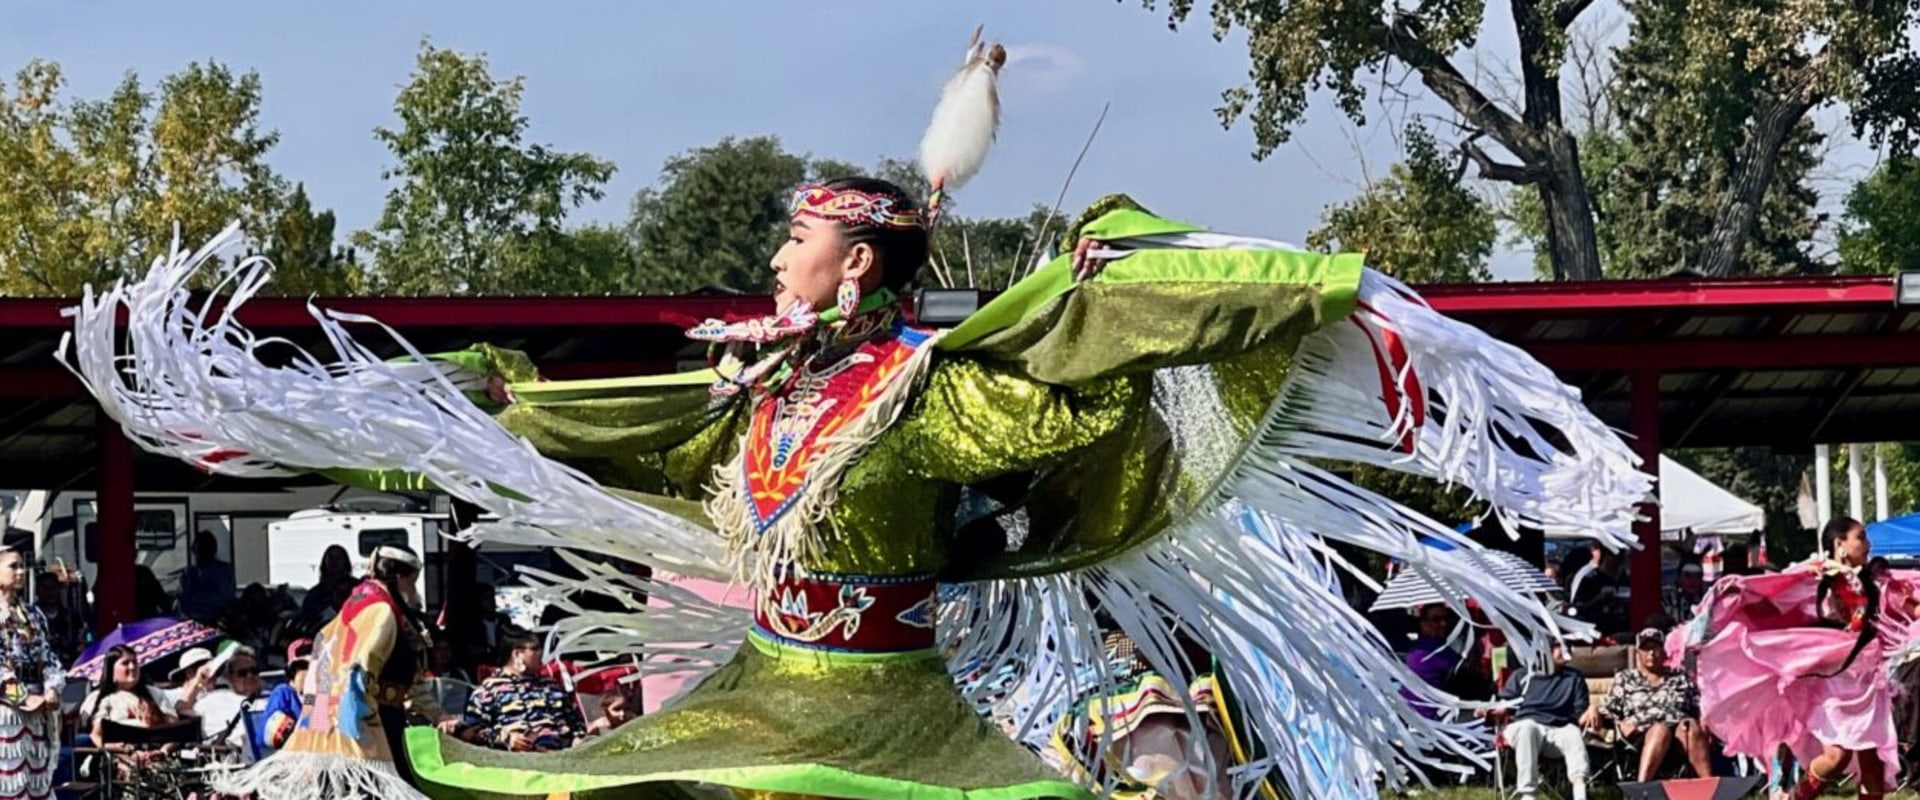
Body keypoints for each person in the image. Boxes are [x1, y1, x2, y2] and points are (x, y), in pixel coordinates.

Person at [67, 39, 1651, 800]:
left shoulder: (928, 396)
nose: (771, 257)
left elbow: (1073, 361)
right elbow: (614, 432)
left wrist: (1290, 288)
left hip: (895, 718)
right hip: (759, 690)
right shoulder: (751, 392)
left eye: (794, 238)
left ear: (858, 253)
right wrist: (468, 414)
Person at [1684, 516, 1920, 800]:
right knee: (1837, 756)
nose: (1868, 544)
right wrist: (1740, 602)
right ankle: (1798, 797)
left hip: (1869, 680)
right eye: (1861, 537)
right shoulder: (1816, 577)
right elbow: (1774, 598)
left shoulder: (1874, 579)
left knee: (1871, 762)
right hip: (1834, 680)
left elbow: (1909, 606)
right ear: (1839, 544)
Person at [213, 545, 440, 797]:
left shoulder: (358, 608)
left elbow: (407, 681)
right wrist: (352, 720)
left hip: (352, 724)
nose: (414, 589)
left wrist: (440, 717)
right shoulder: (380, 611)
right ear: (399, 577)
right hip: (368, 726)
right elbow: (358, 668)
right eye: (413, 580)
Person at [1582, 628, 1713, 781]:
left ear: (1664, 651)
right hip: (1640, 734)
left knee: (1691, 726)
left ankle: (1709, 786)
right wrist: (1597, 711)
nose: (1651, 653)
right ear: (1638, 652)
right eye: (1646, 648)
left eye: (1656, 647)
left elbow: (1699, 704)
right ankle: (1643, 787)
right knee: (1660, 729)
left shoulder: (1679, 676)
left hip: (1679, 732)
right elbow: (1610, 710)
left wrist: (1705, 719)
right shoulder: (1626, 678)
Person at [440, 633, 583, 753]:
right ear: (517, 654)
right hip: (516, 761)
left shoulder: (551, 685)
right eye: (535, 648)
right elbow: (471, 732)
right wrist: (506, 738)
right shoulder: (488, 690)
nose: (541, 653)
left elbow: (576, 722)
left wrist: (578, 738)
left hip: (563, 755)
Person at [1488, 643, 1590, 800]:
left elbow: (1581, 714)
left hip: (1558, 729)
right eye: (1559, 647)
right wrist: (1490, 710)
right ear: (1544, 651)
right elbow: (1505, 705)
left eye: (1567, 647)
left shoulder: (1573, 678)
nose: (1566, 651)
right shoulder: (1521, 675)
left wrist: (1592, 711)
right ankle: (1528, 794)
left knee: (1573, 732)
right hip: (1523, 727)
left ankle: (1580, 790)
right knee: (1528, 727)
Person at [0, 548, 64, 800]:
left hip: (37, 708)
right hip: (7, 711)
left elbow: (48, 656)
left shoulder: (34, 615)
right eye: (13, 567)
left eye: (21, 567)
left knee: (37, 779)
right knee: (8, 778)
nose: (20, 572)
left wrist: (51, 687)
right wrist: (23, 698)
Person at [189, 647, 267, 764]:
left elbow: (305, 708)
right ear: (229, 676)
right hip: (234, 761)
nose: (250, 676)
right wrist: (197, 681)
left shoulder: (274, 696)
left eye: (254, 671)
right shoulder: (213, 700)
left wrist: (305, 688)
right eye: (243, 673)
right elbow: (180, 709)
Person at [256, 639, 310, 753]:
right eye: (303, 668)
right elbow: (262, 738)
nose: (308, 674)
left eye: (313, 668)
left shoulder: (325, 697)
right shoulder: (285, 694)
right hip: (292, 760)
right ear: (291, 679)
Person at [1569, 547, 1629, 639]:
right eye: (1614, 557)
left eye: (1621, 558)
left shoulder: (1625, 579)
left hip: (1622, 627)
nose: (1617, 562)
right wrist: (1599, 598)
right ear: (1605, 556)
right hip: (1598, 628)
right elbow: (1578, 608)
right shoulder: (1590, 579)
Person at [179, 530, 237, 623]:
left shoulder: (223, 571)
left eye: (203, 551)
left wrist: (199, 596)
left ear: (212, 551)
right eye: (197, 552)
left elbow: (227, 598)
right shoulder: (189, 573)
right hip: (191, 621)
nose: (199, 556)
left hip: (218, 621)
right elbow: (183, 601)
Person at [296, 545, 356, 634]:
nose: (334, 562)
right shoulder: (315, 593)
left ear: (345, 562)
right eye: (331, 558)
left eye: (339, 558)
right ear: (325, 562)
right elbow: (308, 618)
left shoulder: (356, 587)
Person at [32, 570, 83, 666]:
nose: (50, 592)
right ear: (37, 591)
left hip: (69, 665)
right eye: (45, 588)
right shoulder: (31, 617)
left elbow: (80, 640)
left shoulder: (71, 616)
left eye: (53, 587)